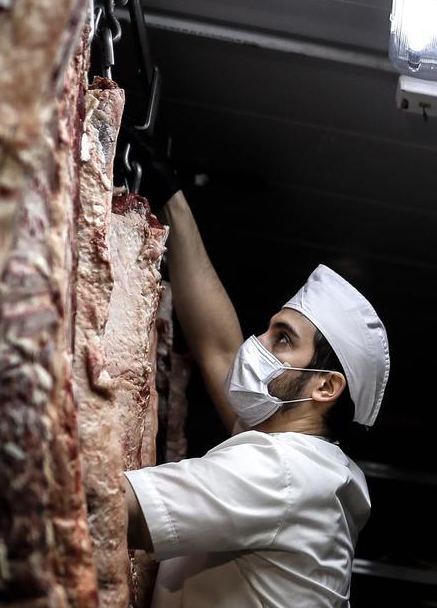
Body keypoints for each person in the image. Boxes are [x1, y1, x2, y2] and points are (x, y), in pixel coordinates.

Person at [121, 154, 391, 607]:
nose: (257, 345)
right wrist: (172, 199)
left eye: (282, 340)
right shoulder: (309, 461)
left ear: (324, 387)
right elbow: (219, 347)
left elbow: (116, 507)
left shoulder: (283, 473)